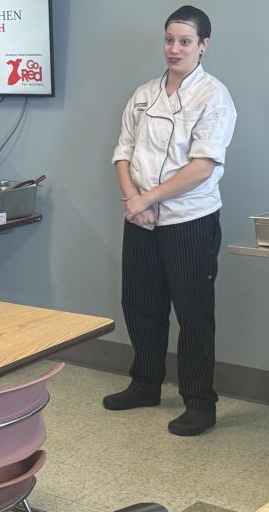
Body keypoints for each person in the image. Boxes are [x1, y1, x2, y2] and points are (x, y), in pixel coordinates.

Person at [104, 5, 236, 436]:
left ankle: (200, 402)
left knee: (193, 313)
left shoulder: (213, 96)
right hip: (140, 218)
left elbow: (201, 166)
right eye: (169, 40)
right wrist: (133, 200)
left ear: (203, 45)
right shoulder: (143, 94)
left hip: (189, 220)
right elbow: (122, 152)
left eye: (184, 41)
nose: (174, 49)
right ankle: (145, 384)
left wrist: (149, 198)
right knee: (140, 305)